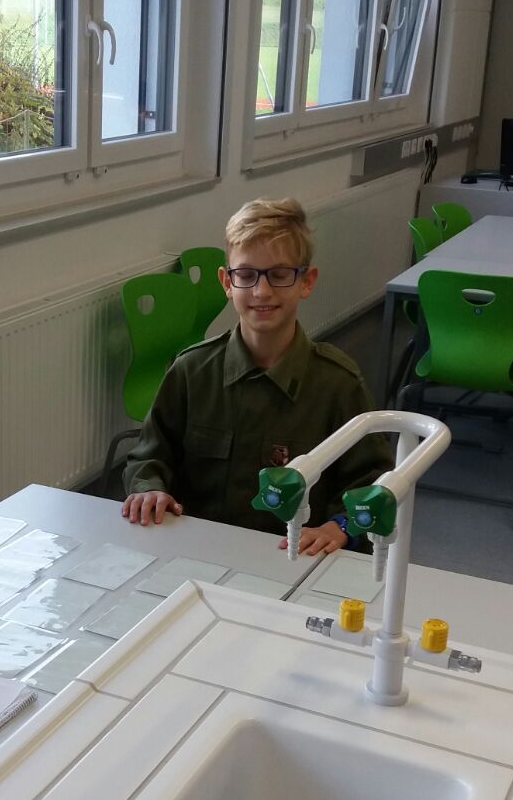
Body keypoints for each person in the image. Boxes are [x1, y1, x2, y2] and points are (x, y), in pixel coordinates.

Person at [121, 198, 391, 555]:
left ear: (306, 281)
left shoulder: (338, 384)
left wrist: (340, 526)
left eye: (279, 275)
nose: (262, 291)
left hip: (294, 559)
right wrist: (149, 488)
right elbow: (148, 456)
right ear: (227, 282)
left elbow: (375, 486)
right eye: (246, 275)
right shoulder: (192, 372)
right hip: (197, 554)